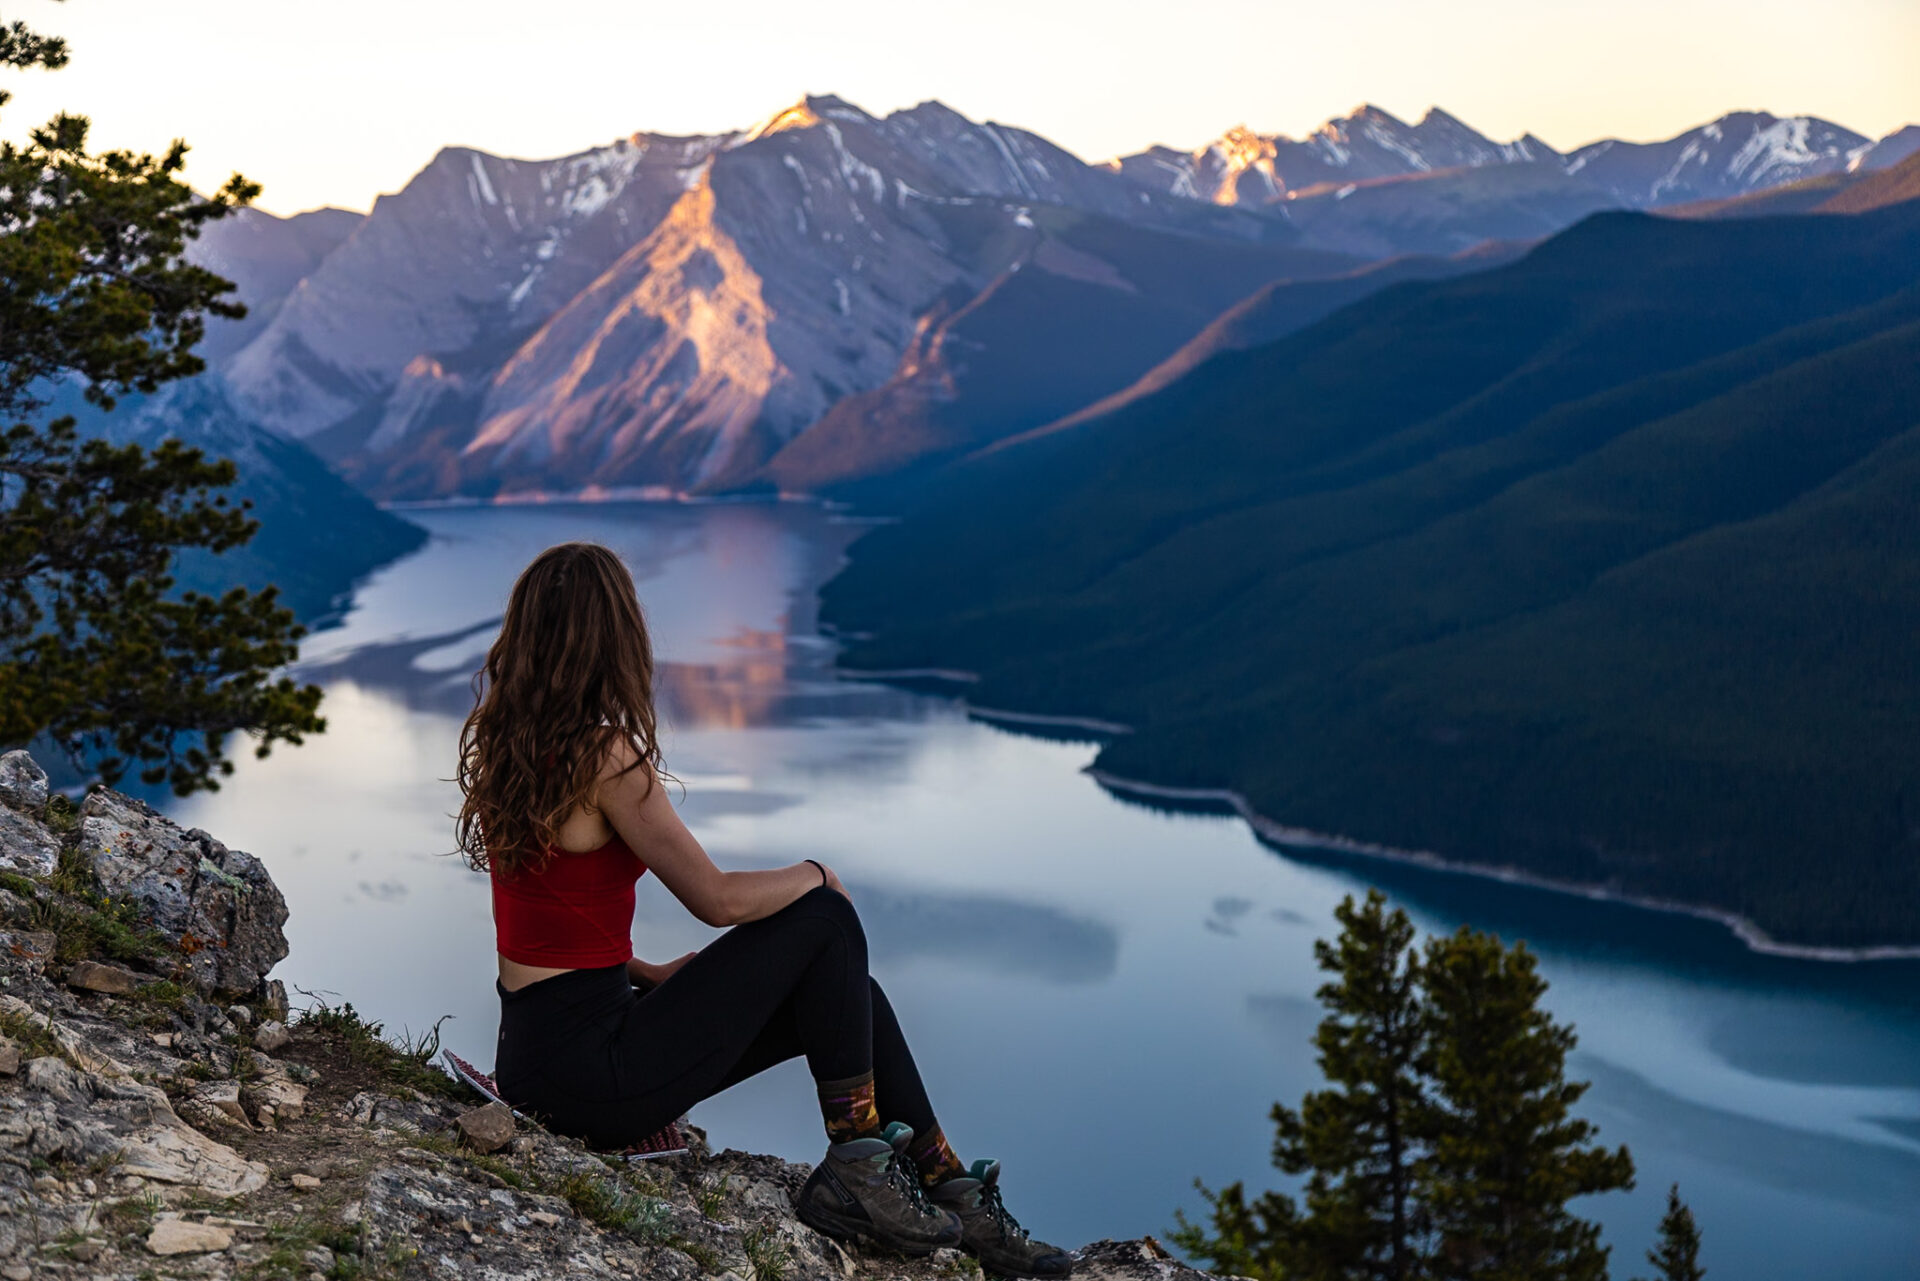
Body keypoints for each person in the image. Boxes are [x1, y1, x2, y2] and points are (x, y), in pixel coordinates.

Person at [454, 541, 1071, 1278]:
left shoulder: (509, 745)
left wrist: (648, 971)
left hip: (539, 1059)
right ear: (615, 639)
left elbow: (539, 923)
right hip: (596, 1081)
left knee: (853, 997)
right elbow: (715, 900)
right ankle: (856, 1169)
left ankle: (951, 1188)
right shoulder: (606, 759)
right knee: (827, 923)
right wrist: (818, 873)